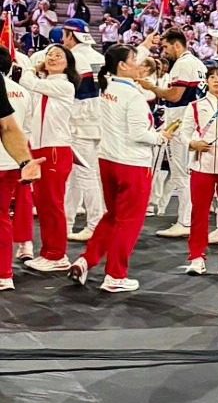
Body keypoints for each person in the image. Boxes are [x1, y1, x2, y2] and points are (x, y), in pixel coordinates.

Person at [69, 45, 172, 293]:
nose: (140, 64)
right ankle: (115, 275)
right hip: (132, 164)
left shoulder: (108, 89)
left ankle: (86, 260)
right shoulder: (132, 96)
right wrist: (161, 136)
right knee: (129, 222)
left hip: (108, 161)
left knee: (112, 217)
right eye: (135, 60)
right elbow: (138, 134)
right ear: (123, 66)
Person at [138, 29, 207, 237]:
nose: (164, 51)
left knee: (180, 173)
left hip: (180, 120)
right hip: (192, 119)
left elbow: (175, 96)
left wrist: (151, 87)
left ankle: (184, 221)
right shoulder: (198, 63)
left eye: (166, 47)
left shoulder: (183, 64)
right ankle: (189, 219)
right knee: (186, 172)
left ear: (177, 45)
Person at [15, 45, 78, 273]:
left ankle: (57, 254)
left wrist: (28, 66)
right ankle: (48, 252)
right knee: (43, 205)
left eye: (58, 55)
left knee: (53, 204)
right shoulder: (46, 87)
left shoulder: (64, 86)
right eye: (49, 54)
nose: (52, 58)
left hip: (55, 150)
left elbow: (28, 81)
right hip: (41, 148)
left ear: (68, 63)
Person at [177, 65, 218, 277]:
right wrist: (192, 143)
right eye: (212, 77)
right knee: (199, 213)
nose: (216, 81)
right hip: (202, 165)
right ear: (206, 81)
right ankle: (196, 257)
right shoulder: (195, 106)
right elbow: (183, 133)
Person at [0, 49, 42, 291]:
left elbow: (8, 126)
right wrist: (26, 160)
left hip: (16, 158)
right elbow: (22, 128)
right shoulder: (24, 92)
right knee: (7, 213)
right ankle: (6, 271)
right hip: (14, 159)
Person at [61, 19, 106, 241]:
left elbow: (78, 97)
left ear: (71, 35)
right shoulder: (99, 57)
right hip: (99, 124)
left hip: (81, 126)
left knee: (85, 176)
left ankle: (95, 223)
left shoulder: (75, 58)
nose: (62, 39)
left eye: (64, 34)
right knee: (83, 176)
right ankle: (67, 222)